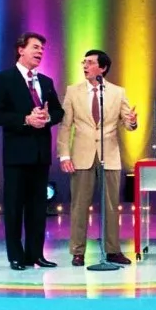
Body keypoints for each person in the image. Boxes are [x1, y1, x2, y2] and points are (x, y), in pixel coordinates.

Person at [0, 32, 65, 270]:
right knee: (14, 207)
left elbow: (59, 112)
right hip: (16, 155)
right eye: (35, 47)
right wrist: (25, 119)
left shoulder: (46, 82)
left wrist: (47, 117)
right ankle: (15, 256)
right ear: (20, 49)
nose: (40, 51)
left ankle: (36, 254)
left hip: (40, 155)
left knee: (38, 208)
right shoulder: (2, 79)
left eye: (42, 48)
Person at [57, 49, 138, 266]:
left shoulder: (118, 92)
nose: (85, 66)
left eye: (90, 62)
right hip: (81, 155)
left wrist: (132, 121)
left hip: (109, 154)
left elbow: (128, 123)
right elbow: (65, 126)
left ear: (102, 68)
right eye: (84, 62)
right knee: (79, 205)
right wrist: (64, 155)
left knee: (111, 205)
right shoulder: (73, 91)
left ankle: (112, 250)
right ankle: (78, 251)